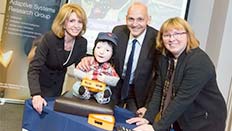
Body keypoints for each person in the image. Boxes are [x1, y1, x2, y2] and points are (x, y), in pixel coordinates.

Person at [126, 17, 227, 131]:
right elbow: (160, 89)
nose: (172, 39)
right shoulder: (165, 58)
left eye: (177, 34)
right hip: (182, 119)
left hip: (205, 121)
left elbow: (182, 99)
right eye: (167, 35)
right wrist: (148, 118)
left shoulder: (199, 62)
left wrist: (156, 128)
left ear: (188, 36)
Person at [77, 2, 158, 112]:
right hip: (115, 86)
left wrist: (148, 106)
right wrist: (90, 59)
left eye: (140, 19)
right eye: (131, 19)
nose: (135, 24)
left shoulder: (156, 38)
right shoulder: (118, 31)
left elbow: (158, 77)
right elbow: (107, 55)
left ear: (148, 19)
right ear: (125, 19)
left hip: (139, 93)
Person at [27, 3, 88, 114]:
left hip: (58, 84)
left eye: (80, 22)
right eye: (72, 21)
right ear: (63, 23)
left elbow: (80, 69)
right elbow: (34, 69)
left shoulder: (82, 43)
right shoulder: (49, 38)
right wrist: (36, 95)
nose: (76, 25)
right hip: (41, 82)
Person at [72, 32, 120, 104]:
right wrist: (86, 76)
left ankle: (103, 96)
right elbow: (76, 72)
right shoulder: (88, 61)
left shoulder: (109, 67)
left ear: (112, 54)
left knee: (106, 90)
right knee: (77, 85)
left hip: (100, 87)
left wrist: (105, 79)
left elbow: (115, 80)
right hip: (86, 85)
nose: (101, 52)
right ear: (94, 48)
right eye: (98, 47)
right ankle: (83, 93)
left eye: (107, 50)